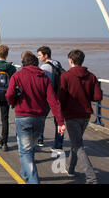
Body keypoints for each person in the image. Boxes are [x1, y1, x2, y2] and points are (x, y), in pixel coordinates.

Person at [5, 51, 65, 184]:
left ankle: (33, 180)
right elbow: (53, 101)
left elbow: (9, 94)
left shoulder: (17, 76)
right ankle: (25, 174)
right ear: (36, 63)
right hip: (39, 118)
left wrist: (14, 102)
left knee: (25, 151)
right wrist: (60, 122)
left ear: (23, 63)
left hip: (23, 117)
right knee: (30, 148)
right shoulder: (43, 77)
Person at [58, 49, 102, 184]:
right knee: (76, 142)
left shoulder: (65, 76)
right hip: (86, 115)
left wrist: (59, 116)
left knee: (78, 146)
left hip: (71, 115)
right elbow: (97, 97)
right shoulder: (91, 76)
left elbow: (61, 98)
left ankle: (91, 177)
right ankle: (70, 168)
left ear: (70, 60)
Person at [36, 46, 64, 151]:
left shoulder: (44, 68)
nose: (38, 57)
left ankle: (40, 139)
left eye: (40, 55)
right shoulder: (57, 64)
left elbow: (42, 84)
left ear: (46, 55)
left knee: (41, 117)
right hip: (58, 95)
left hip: (48, 97)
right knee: (58, 120)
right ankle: (58, 144)